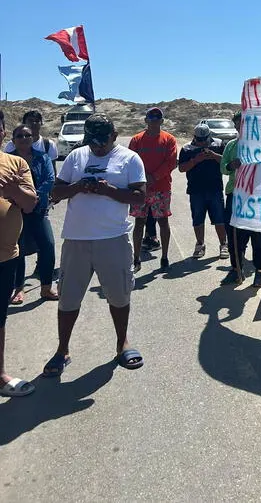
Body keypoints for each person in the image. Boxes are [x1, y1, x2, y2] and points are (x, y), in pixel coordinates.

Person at [42, 114, 146, 376]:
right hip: (77, 239)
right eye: (93, 142)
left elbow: (139, 198)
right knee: (67, 298)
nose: (97, 147)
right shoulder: (76, 157)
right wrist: (78, 187)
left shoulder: (130, 158)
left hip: (113, 239)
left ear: (114, 134)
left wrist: (107, 190)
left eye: (102, 141)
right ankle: (62, 350)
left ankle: (122, 343)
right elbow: (56, 192)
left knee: (119, 296)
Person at [0, 116, 38, 397]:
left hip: (5, 256)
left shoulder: (16, 164)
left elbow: (28, 204)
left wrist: (13, 189)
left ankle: (0, 375)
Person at [8, 125, 57, 303]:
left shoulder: (42, 157)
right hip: (14, 211)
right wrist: (20, 198)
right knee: (18, 250)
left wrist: (32, 197)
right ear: (13, 140)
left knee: (48, 246)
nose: (23, 138)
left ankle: (46, 287)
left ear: (32, 138)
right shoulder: (8, 159)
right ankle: (18, 289)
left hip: (38, 210)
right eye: (19, 135)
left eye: (27, 135)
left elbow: (50, 179)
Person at [129, 108, 178, 272]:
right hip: (140, 188)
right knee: (139, 222)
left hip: (161, 188)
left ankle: (164, 257)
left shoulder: (169, 139)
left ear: (162, 121)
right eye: (151, 116)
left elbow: (171, 163)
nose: (155, 119)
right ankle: (136, 259)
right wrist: (142, 179)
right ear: (146, 120)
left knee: (163, 221)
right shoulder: (136, 139)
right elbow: (130, 161)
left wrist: (154, 177)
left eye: (158, 117)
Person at [220, 112, 261, 288]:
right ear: (235, 126)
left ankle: (260, 271)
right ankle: (236, 269)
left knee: (258, 235)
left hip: (256, 196)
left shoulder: (260, 146)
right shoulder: (231, 146)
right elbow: (223, 168)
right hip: (235, 195)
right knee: (234, 233)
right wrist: (232, 165)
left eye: (244, 123)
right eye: (238, 124)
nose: (241, 126)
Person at [178, 124, 228, 259]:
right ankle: (200, 244)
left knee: (219, 218)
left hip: (215, 188)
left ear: (209, 136)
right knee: (198, 219)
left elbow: (226, 162)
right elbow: (181, 168)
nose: (202, 143)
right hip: (196, 190)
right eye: (199, 140)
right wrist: (195, 160)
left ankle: (223, 244)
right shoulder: (187, 148)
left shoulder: (218, 144)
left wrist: (214, 156)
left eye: (204, 140)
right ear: (194, 137)